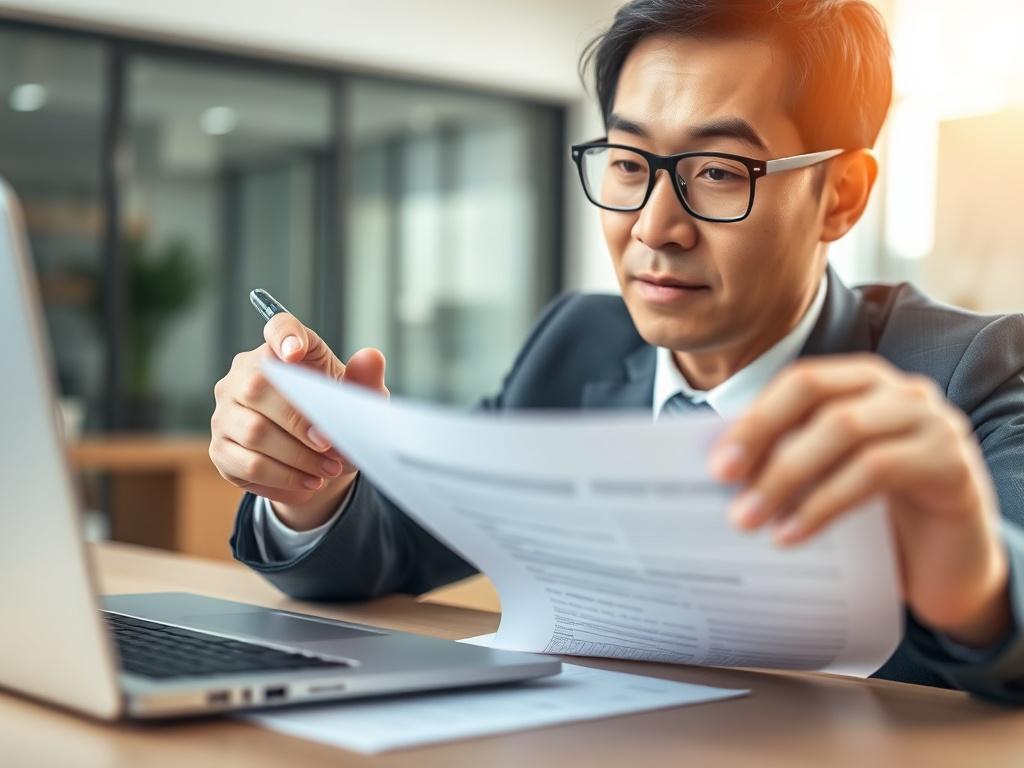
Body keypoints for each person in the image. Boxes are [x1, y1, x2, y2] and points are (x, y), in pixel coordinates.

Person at [209, 0, 1024, 702]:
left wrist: (979, 586)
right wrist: (313, 485)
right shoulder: (577, 346)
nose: (652, 227)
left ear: (840, 195)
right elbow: (385, 550)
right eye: (630, 163)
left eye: (716, 171)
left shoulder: (970, 368)